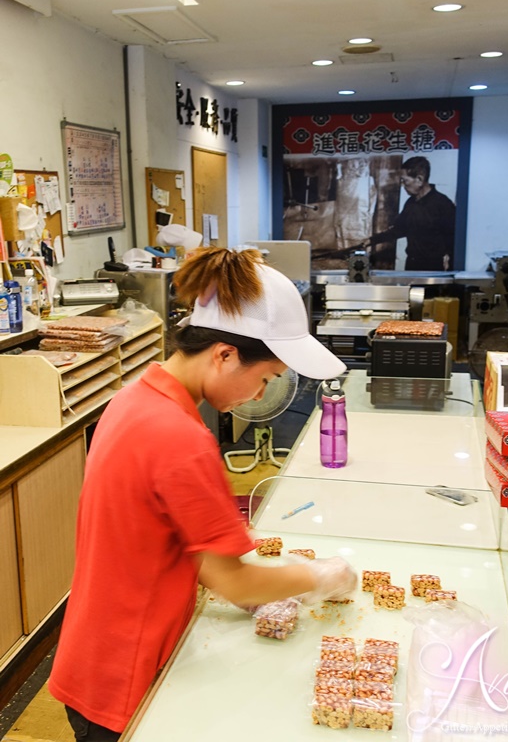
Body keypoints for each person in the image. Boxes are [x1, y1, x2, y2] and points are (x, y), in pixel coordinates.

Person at [48, 247, 357, 741]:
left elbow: (167, 536)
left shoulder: (134, 398)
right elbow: (234, 583)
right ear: (225, 354)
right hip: (126, 678)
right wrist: (322, 575)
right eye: (266, 379)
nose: (260, 396)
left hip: (92, 654)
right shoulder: (179, 436)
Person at [368, 156, 456, 271]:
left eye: (405, 181)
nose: (403, 185)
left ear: (419, 179)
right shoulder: (411, 203)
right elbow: (399, 230)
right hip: (412, 264)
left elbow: (453, 240)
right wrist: (371, 241)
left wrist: (450, 267)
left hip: (434, 267)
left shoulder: (443, 204)